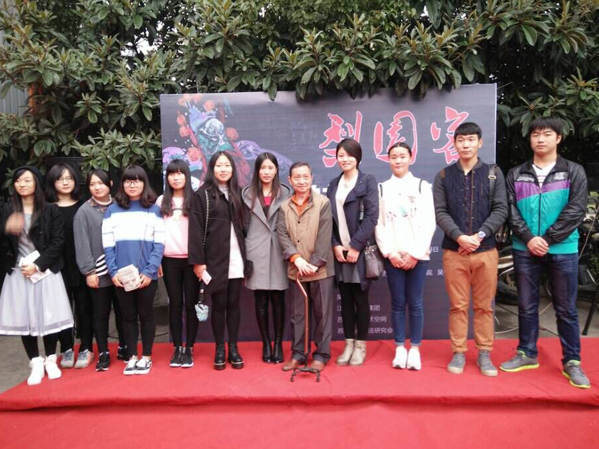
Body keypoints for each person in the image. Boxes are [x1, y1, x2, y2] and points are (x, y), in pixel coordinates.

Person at [500, 117, 590, 389]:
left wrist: (548, 239)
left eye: (547, 134)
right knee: (526, 305)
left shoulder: (573, 171)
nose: (540, 139)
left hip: (562, 248)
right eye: (535, 134)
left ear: (558, 138)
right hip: (524, 247)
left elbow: (577, 209)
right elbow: (510, 209)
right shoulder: (516, 173)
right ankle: (526, 353)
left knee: (566, 308)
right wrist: (529, 238)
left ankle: (572, 361)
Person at [433, 122, 508, 377]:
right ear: (454, 143)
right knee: (458, 306)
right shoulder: (444, 176)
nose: (466, 144)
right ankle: (459, 351)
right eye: (461, 140)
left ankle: (484, 352)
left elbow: (501, 209)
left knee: (485, 306)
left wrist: (479, 235)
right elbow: (440, 212)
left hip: (486, 251)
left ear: (480, 142)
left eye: (471, 139)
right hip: (454, 253)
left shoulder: (493, 173)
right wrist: (459, 237)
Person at [0, 166, 74, 385]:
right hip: (19, 272)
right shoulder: (7, 209)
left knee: (48, 315)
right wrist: (6, 228)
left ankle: (51, 358)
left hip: (45, 271)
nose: (22, 184)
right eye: (18, 181)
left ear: (36, 183)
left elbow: (58, 242)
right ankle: (35, 361)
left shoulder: (50, 210)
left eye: (27, 180)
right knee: (26, 318)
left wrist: (38, 265)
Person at [375, 142, 436, 370]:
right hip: (393, 256)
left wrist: (415, 254)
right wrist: (390, 253)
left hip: (417, 256)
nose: (398, 160)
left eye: (402, 156)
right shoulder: (382, 188)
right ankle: (400, 347)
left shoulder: (422, 186)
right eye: (394, 156)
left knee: (416, 303)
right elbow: (379, 224)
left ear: (411, 158)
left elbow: (429, 223)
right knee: (398, 303)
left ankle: (415, 349)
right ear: (388, 160)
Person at [189, 151, 250, 370]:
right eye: (219, 165)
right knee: (219, 305)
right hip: (214, 261)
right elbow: (195, 231)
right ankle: (219, 348)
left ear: (233, 169)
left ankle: (233, 347)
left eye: (227, 165)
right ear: (211, 168)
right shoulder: (202, 195)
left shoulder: (239, 194)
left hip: (237, 258)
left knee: (234, 305)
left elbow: (247, 227)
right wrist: (198, 262)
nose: (223, 169)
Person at [102, 165, 165, 375]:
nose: (132, 185)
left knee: (146, 315)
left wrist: (150, 271)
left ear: (144, 183)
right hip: (122, 276)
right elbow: (108, 245)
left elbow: (159, 244)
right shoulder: (112, 210)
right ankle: (131, 357)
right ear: (122, 184)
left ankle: (146, 356)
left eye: (137, 180)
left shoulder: (154, 210)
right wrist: (113, 272)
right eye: (128, 181)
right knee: (127, 316)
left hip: (147, 275)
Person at [277, 161, 335, 372]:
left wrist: (313, 263)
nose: (301, 181)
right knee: (297, 316)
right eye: (297, 177)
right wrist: (296, 259)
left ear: (311, 178)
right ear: (289, 180)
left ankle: (321, 354)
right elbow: (282, 234)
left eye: (305, 177)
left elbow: (325, 237)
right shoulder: (284, 206)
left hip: (320, 270)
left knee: (322, 315)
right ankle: (298, 353)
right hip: (296, 269)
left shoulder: (323, 203)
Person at [326, 139, 378, 366]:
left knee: (360, 299)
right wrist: (335, 244)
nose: (345, 159)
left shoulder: (367, 181)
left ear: (357, 157)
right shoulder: (333, 184)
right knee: (345, 300)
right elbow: (328, 219)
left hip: (360, 251)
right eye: (341, 155)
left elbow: (372, 217)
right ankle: (348, 344)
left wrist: (356, 246)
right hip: (340, 252)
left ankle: (360, 346)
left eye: (349, 155)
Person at [74, 169, 126, 371]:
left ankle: (124, 346)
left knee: (123, 311)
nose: (97, 187)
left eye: (101, 183)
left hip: (120, 269)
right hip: (98, 271)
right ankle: (103, 350)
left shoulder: (120, 206)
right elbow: (82, 244)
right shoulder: (84, 212)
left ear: (110, 184)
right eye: (92, 184)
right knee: (100, 313)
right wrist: (89, 271)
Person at [242, 153, 292, 364]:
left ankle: (278, 343)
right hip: (256, 250)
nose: (266, 172)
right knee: (260, 299)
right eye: (263, 168)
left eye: (270, 168)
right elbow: (242, 225)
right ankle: (266, 343)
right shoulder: (247, 193)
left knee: (278, 299)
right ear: (257, 170)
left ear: (276, 170)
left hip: (280, 249)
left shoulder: (286, 192)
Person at [45, 163, 94, 370]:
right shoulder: (46, 208)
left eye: (69, 178)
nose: (65, 182)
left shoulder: (84, 206)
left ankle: (85, 346)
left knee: (84, 306)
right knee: (61, 308)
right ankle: (66, 347)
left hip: (81, 264)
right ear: (52, 182)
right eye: (60, 179)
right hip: (57, 267)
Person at [156, 159, 199, 368]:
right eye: (172, 174)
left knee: (190, 305)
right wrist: (157, 260)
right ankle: (177, 348)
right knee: (174, 304)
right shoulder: (161, 201)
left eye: (180, 173)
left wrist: (201, 260)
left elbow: (202, 233)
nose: (176, 177)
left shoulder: (196, 199)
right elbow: (155, 232)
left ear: (187, 176)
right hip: (169, 260)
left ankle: (189, 347)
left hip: (192, 261)